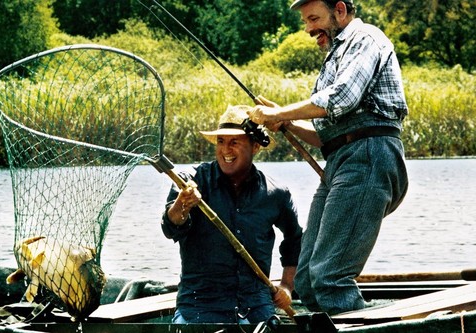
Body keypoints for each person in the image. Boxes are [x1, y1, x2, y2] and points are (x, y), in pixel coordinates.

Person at [247, 0, 409, 315]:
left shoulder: (366, 40)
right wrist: (288, 123)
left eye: (314, 19)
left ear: (339, 9)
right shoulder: (336, 53)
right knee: (307, 278)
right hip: (342, 161)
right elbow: (327, 135)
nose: (308, 29)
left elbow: (342, 98)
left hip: (369, 157)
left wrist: (278, 111)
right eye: (306, 22)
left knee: (329, 276)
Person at [161, 105, 303, 324]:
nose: (225, 150)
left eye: (234, 142)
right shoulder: (189, 180)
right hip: (200, 306)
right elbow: (171, 228)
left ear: (255, 146)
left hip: (257, 306)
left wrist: (286, 286)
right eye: (221, 142)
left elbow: (294, 239)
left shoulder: (276, 194)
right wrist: (183, 203)